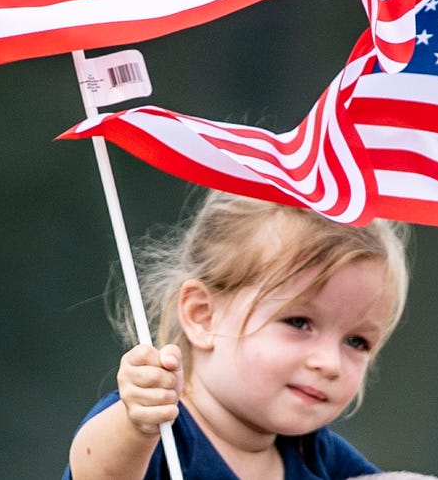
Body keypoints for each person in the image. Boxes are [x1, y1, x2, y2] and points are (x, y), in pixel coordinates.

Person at [65, 190, 411, 480]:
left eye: (356, 342)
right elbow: (97, 470)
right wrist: (136, 424)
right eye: (298, 322)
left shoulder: (318, 456)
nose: (330, 363)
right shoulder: (158, 426)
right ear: (203, 315)